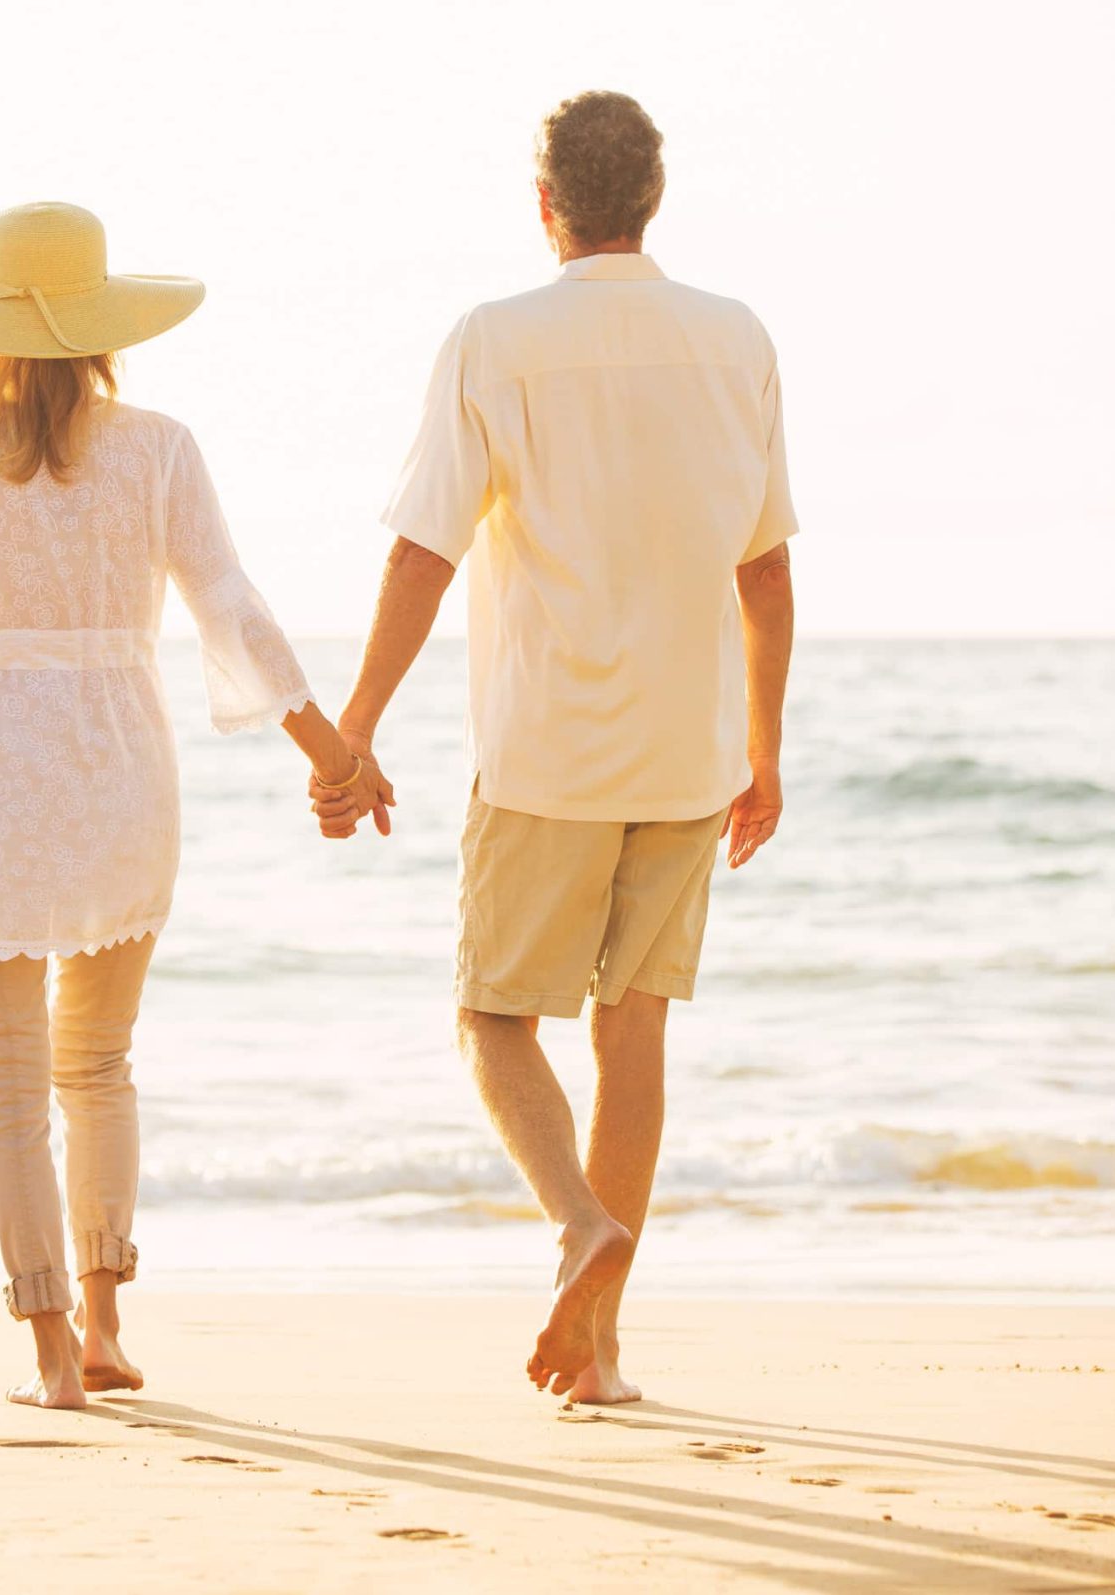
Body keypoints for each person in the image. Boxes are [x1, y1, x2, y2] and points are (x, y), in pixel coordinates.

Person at [0, 202, 376, 1409]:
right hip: (125, 766)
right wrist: (329, 748)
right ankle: (111, 1326)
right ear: (102, 325)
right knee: (102, 1065)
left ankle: (49, 1353)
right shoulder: (159, 447)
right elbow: (227, 602)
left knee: (6, 1079)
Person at [318, 91, 799, 1404]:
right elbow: (767, 575)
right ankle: (600, 1352)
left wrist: (356, 725)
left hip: (545, 750)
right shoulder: (736, 337)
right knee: (631, 1035)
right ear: (652, 198)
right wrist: (764, 750)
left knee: (489, 1015)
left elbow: (426, 548)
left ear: (546, 208)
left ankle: (578, 1226)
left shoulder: (495, 340)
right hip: (688, 752)